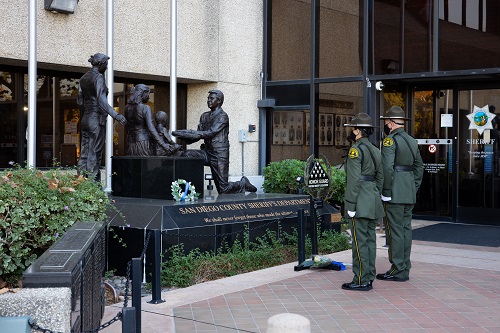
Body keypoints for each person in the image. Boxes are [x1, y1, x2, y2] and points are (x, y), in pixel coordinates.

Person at [172, 90, 257, 194]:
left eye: (211, 98)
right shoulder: (204, 116)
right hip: (207, 152)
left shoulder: (223, 116)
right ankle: (188, 190)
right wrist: (181, 138)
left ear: (219, 101)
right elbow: (198, 135)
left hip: (219, 154)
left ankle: (243, 183)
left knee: (223, 189)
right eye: (208, 98)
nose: (208, 100)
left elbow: (210, 133)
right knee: (187, 154)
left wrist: (190, 133)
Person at [377, 106, 424, 282]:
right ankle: (404, 267)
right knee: (405, 230)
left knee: (395, 231)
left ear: (390, 123)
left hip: (394, 193)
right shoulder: (412, 140)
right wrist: (413, 186)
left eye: (386, 122)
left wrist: (386, 191)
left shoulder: (390, 141)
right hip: (408, 192)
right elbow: (419, 167)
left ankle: (397, 269)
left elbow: (387, 168)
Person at [341, 112, 384, 291]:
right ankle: (369, 276)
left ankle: (360, 279)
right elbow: (381, 176)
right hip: (372, 199)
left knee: (359, 242)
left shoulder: (356, 150)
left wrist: (350, 205)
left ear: (358, 131)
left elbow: (353, 180)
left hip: (359, 201)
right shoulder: (375, 149)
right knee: (370, 241)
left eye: (353, 128)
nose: (352, 131)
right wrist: (375, 193)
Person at [77, 53, 127, 182]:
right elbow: (101, 100)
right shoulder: (98, 77)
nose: (107, 67)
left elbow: (80, 102)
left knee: (84, 152)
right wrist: (116, 115)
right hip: (95, 119)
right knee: (94, 152)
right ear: (101, 64)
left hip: (85, 119)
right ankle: (93, 186)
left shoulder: (83, 78)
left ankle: (80, 182)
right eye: (106, 64)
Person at [124, 84, 176, 156]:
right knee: (145, 165)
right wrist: (163, 145)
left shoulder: (127, 108)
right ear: (143, 94)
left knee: (132, 165)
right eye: (148, 94)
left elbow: (127, 127)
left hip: (130, 142)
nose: (148, 97)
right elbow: (151, 129)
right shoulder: (146, 108)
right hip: (143, 142)